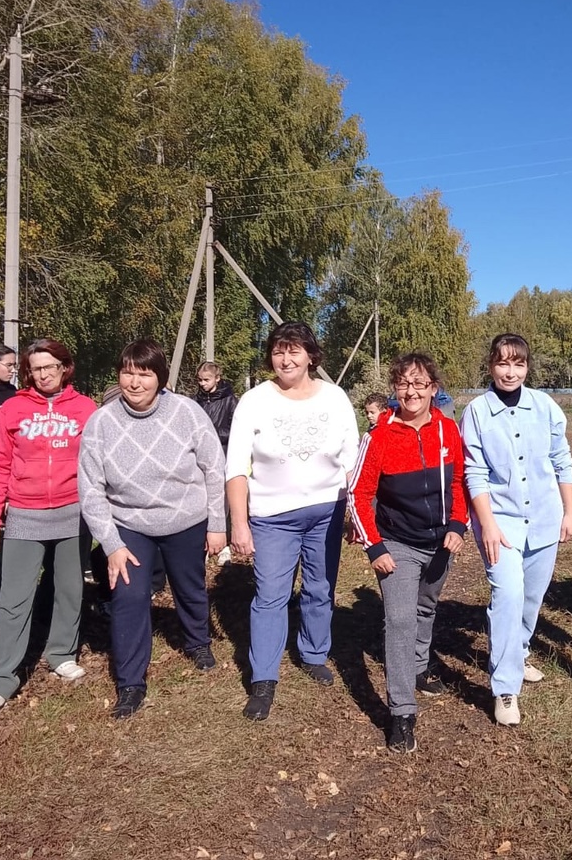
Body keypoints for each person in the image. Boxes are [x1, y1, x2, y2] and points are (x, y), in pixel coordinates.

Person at [78, 339, 226, 719]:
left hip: (185, 519)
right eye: (127, 373)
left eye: (144, 374)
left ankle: (197, 641)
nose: (135, 382)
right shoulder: (101, 423)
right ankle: (130, 682)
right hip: (130, 525)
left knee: (189, 586)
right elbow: (90, 490)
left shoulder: (187, 412)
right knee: (128, 596)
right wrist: (111, 544)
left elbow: (214, 467)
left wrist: (217, 523)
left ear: (160, 377)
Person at [227, 323, 359, 721]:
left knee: (320, 588)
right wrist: (239, 524)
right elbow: (236, 467)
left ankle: (313, 653)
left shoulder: (335, 398)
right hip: (272, 517)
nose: (285, 359)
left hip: (327, 512)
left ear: (311, 356)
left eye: (294, 351)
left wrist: (356, 514)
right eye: (278, 351)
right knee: (271, 595)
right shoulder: (254, 401)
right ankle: (263, 678)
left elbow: (352, 460)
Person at [0, 339, 97, 720]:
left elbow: (97, 462)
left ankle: (61, 652)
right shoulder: (13, 408)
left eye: (50, 367)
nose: (43, 374)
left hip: (73, 512)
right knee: (14, 598)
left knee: (70, 589)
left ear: (64, 367)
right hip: (24, 513)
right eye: (36, 368)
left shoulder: (85, 408)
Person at [349, 352, 468, 754]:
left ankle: (419, 665)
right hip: (397, 544)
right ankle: (402, 711)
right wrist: (374, 546)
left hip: (440, 543)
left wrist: (458, 525)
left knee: (425, 607)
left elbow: (460, 483)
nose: (411, 391)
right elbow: (358, 494)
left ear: (434, 388)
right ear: (394, 389)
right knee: (399, 620)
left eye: (420, 384)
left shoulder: (448, 430)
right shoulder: (379, 436)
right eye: (403, 384)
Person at [461, 334, 572, 726]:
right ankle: (505, 688)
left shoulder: (545, 407)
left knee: (531, 597)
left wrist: (570, 511)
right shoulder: (477, 412)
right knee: (508, 595)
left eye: (518, 364)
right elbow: (474, 472)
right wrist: (487, 525)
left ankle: (518, 652)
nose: (510, 372)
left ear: (527, 367)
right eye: (502, 363)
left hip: (544, 517)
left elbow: (561, 460)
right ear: (490, 366)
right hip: (501, 523)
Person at [195, 361, 240, 565]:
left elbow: (236, 429)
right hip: (199, 457)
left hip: (223, 454)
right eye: (200, 380)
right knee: (202, 500)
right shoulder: (195, 401)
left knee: (224, 501)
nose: (203, 384)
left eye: (206, 380)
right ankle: (204, 544)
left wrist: (212, 434)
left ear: (217, 378)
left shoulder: (230, 401)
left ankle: (226, 545)